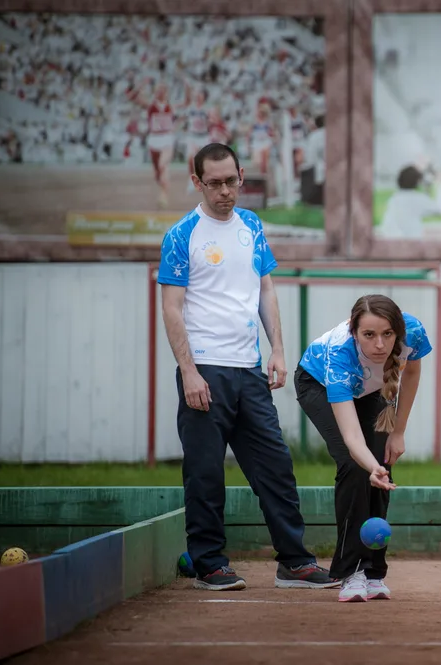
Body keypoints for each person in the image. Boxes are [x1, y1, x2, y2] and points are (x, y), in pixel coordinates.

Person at [158, 142, 337, 592]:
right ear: (196, 182)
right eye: (214, 183)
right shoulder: (182, 234)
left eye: (231, 181)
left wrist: (277, 350)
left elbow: (266, 292)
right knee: (205, 472)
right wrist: (189, 372)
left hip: (249, 370)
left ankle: (294, 562)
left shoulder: (252, 226)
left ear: (241, 174)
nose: (225, 191)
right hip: (205, 371)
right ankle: (209, 565)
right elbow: (172, 308)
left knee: (275, 467)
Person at [295, 295, 433, 602]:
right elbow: (352, 438)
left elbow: (410, 373)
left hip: (371, 390)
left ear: (398, 331)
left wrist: (398, 432)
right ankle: (351, 572)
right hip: (318, 384)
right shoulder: (339, 354)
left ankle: (373, 572)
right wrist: (368, 466)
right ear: (354, 332)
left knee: (383, 466)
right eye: (369, 335)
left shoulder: (414, 331)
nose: (380, 344)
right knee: (355, 465)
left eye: (387, 334)